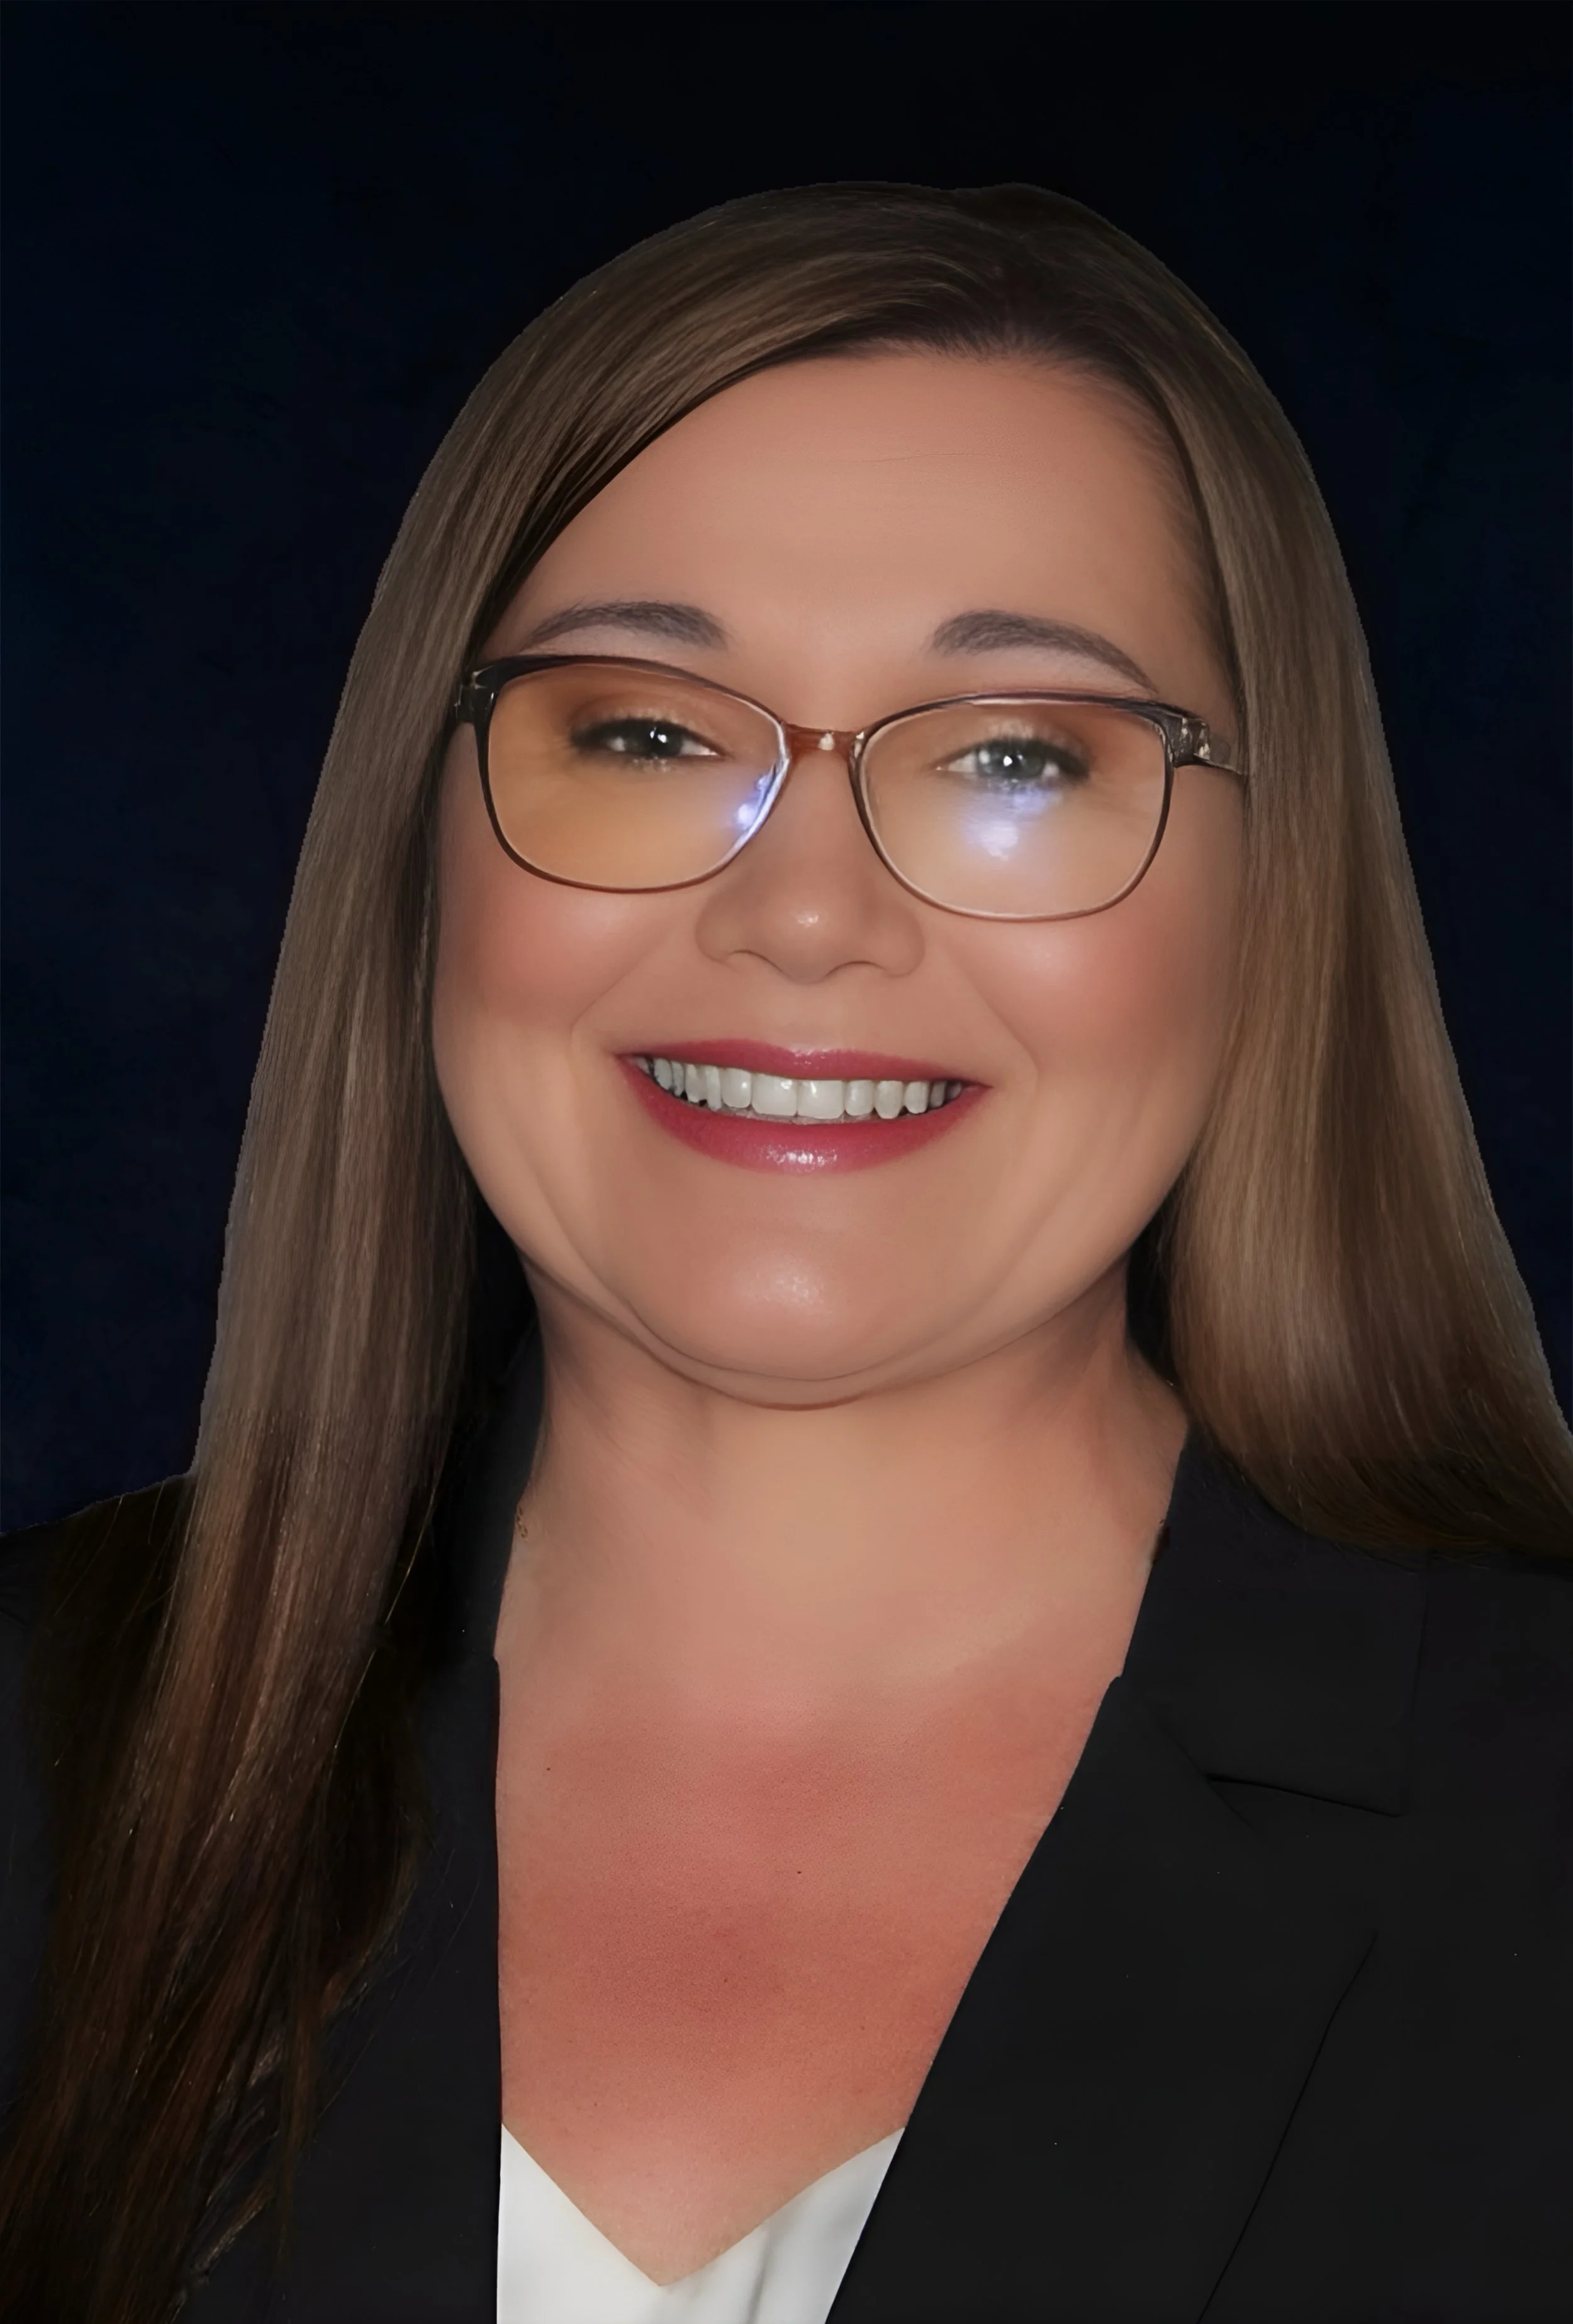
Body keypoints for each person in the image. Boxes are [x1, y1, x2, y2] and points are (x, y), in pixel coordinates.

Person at [1, 182, 1569, 2324]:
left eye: (1019, 756)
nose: (807, 911)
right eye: (646, 733)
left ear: (1269, 904)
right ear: (427, 835)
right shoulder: (40, 1752)